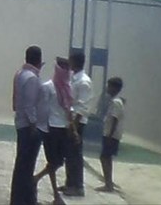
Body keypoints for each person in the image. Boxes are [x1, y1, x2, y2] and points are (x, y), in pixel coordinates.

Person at [34, 57, 73, 205]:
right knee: (53, 161)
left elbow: (69, 110)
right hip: (51, 129)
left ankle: (36, 179)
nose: (66, 71)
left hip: (63, 128)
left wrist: (73, 129)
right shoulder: (48, 87)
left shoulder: (68, 88)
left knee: (57, 162)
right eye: (63, 68)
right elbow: (42, 109)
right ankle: (56, 195)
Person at [11, 45, 43, 205]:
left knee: (21, 164)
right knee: (27, 165)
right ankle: (24, 200)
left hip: (20, 122)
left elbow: (15, 102)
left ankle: (18, 198)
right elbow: (30, 105)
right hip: (28, 126)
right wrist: (34, 125)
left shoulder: (20, 74)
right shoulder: (32, 78)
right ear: (39, 60)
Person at [62, 50, 93, 197]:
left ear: (75, 61)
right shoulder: (74, 78)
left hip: (77, 123)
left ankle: (78, 186)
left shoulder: (84, 81)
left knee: (75, 154)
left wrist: (74, 127)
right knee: (69, 154)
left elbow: (82, 107)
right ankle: (70, 183)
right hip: (71, 121)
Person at [96, 77, 125, 193]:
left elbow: (114, 119)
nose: (108, 88)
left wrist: (109, 135)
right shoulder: (115, 101)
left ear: (115, 88)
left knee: (104, 157)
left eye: (109, 86)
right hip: (110, 134)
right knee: (106, 158)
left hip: (111, 135)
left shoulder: (116, 102)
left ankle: (108, 184)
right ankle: (108, 183)